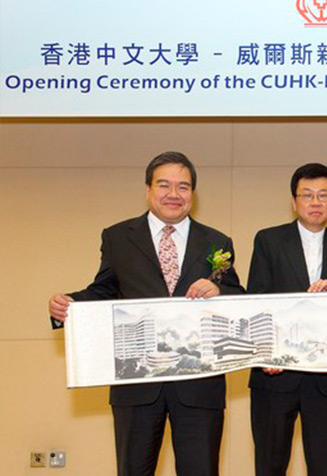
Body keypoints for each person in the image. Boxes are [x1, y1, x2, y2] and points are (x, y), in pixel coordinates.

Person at [48, 151, 245, 476]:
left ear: (192, 194)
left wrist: (220, 291)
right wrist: (66, 305)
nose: (173, 194)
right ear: (148, 189)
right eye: (164, 185)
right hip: (136, 384)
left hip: (198, 385)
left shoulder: (216, 242)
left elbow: (239, 297)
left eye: (183, 187)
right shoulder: (118, 237)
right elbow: (104, 291)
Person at [246, 163, 327, 476]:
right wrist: (264, 354)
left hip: (324, 378)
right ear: (294, 201)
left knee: (325, 466)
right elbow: (256, 301)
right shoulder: (268, 241)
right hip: (275, 375)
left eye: (323, 195)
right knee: (270, 466)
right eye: (307, 195)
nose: (315, 202)